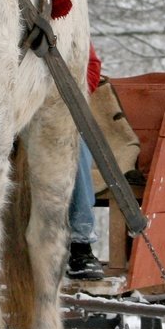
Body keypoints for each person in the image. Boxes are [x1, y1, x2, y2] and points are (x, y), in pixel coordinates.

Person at [66, 43, 105, 280]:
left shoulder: (67, 20)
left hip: (55, 106)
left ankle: (80, 244)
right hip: (4, 108)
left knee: (74, 143)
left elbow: (91, 66)